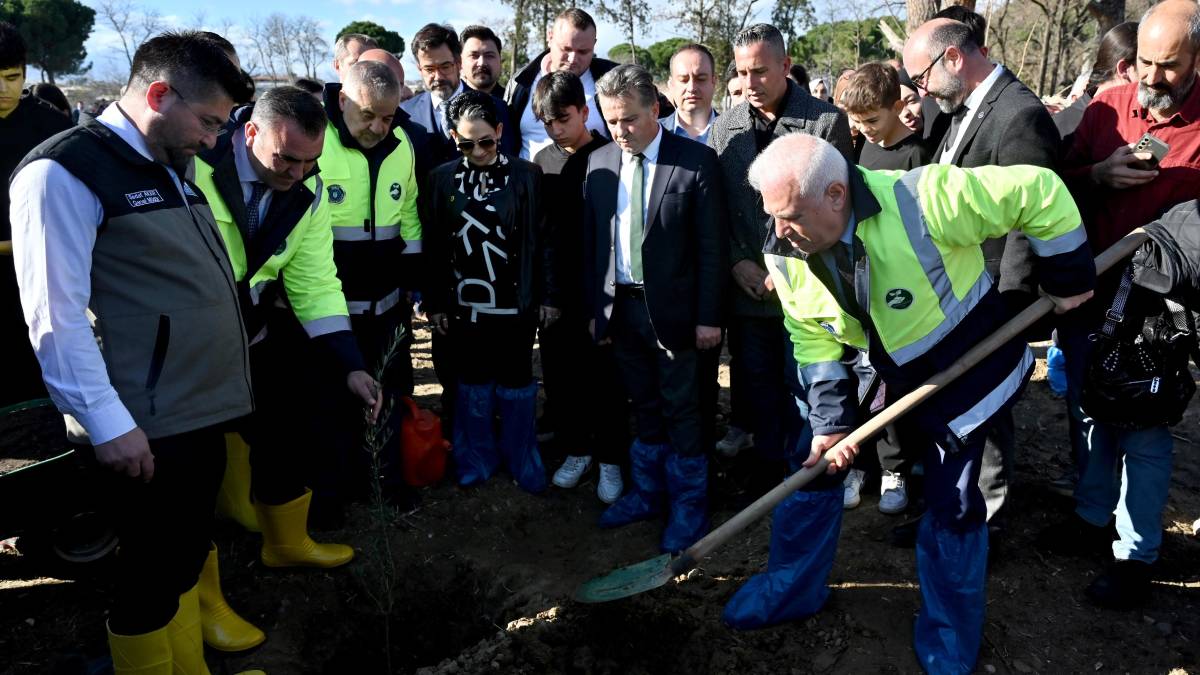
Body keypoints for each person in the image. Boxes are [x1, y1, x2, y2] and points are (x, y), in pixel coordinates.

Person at [721, 133, 1093, 674]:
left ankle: (948, 635)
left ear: (835, 194)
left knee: (954, 503)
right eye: (772, 215)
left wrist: (1069, 276)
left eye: (791, 214)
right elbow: (814, 337)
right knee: (814, 465)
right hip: (880, 367)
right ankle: (791, 590)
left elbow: (1038, 189)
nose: (778, 230)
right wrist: (829, 424)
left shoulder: (926, 199)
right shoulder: (786, 248)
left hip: (965, 367)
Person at [9, 31, 258, 674]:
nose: (213, 139)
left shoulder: (173, 160)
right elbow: (55, 318)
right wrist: (109, 423)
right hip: (140, 425)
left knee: (178, 563)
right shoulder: (61, 172)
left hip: (193, 409)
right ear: (156, 94)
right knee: (147, 578)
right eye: (207, 122)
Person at [1043, 0, 1200, 609]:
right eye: (1142, 62)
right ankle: (1090, 516)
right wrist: (1098, 175)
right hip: (1090, 293)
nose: (1151, 77)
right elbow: (1057, 182)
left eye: (1167, 65)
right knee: (1088, 408)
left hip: (1161, 315)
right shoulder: (1108, 106)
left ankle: (1136, 555)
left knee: (1145, 431)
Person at [194, 81, 377, 574]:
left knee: (287, 429)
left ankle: (286, 542)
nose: (297, 174)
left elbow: (316, 282)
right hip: (188, 345)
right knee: (189, 472)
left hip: (250, 335)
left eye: (309, 162)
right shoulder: (194, 167)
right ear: (251, 132)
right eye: (286, 160)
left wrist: (351, 365)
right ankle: (202, 594)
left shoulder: (308, 190)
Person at [903, 17, 1061, 536]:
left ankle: (986, 524)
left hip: (993, 297)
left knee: (988, 410)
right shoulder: (959, 109)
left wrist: (1010, 309)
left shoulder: (1019, 117)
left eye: (922, 76)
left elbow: (1027, 220)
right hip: (956, 291)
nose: (920, 90)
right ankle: (947, 509)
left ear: (954, 58)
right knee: (956, 403)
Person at [584, 64, 727, 553]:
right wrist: (597, 309)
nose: (619, 131)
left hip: (678, 314)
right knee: (642, 404)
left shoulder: (695, 162)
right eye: (611, 120)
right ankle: (648, 493)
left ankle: (689, 504)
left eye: (628, 120)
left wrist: (710, 316)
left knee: (683, 408)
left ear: (655, 110)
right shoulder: (599, 161)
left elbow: (712, 248)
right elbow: (594, 242)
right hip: (621, 309)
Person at [709, 23, 852, 497]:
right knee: (756, 384)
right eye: (742, 72)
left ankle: (807, 470)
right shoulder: (725, 127)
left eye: (760, 72)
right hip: (748, 289)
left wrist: (783, 266)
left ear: (786, 67)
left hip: (806, 288)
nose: (749, 83)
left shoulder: (824, 123)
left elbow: (836, 207)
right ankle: (769, 468)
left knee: (808, 384)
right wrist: (736, 262)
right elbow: (719, 209)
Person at [421, 89, 553, 494]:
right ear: (453, 138)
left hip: (515, 299)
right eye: (465, 143)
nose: (477, 150)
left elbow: (542, 239)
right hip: (465, 302)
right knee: (472, 381)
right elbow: (432, 243)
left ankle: (520, 456)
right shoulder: (441, 179)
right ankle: (476, 458)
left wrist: (547, 295)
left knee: (516, 380)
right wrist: (436, 300)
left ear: (499, 132)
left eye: (486, 141)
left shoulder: (527, 176)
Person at [318, 60, 424, 516]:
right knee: (333, 403)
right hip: (331, 309)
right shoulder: (317, 143)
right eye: (369, 115)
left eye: (388, 116)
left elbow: (411, 211)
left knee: (392, 393)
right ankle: (335, 493)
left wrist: (414, 276)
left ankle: (388, 484)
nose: (380, 126)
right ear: (343, 100)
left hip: (388, 307)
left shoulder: (402, 144)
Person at [530, 71, 624, 504]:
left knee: (603, 380)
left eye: (563, 119)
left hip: (600, 290)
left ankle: (610, 457)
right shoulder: (541, 162)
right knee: (561, 376)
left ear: (585, 112)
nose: (555, 129)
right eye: (546, 122)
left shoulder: (611, 156)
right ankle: (576, 449)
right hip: (555, 293)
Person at [0, 21, 71, 408]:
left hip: (41, 275)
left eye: (12, 77)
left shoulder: (51, 126)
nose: (3, 90)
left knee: (38, 385)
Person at [505, 8, 614, 159]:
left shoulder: (613, 79)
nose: (572, 59)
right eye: (566, 49)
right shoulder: (521, 82)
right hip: (531, 181)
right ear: (550, 37)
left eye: (583, 52)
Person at [402, 23, 515, 168]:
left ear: (459, 63)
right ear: (419, 69)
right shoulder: (406, 113)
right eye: (429, 69)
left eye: (445, 67)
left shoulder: (497, 108)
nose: (438, 77)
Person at [1054, 21, 1139, 146]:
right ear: (1124, 69)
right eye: (1146, 64)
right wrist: (1105, 166)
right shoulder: (1063, 129)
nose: (1153, 76)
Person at [844, 64, 931, 172]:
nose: (864, 129)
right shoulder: (865, 139)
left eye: (872, 120)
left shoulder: (917, 153)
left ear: (897, 108)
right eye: (857, 121)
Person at [660, 43, 717, 144]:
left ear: (714, 82)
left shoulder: (738, 134)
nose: (691, 88)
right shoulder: (653, 134)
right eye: (683, 80)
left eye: (701, 79)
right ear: (671, 84)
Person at [460, 25, 504, 96]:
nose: (482, 63)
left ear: (500, 61)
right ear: (460, 62)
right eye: (474, 56)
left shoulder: (516, 104)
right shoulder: (446, 104)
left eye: (489, 56)